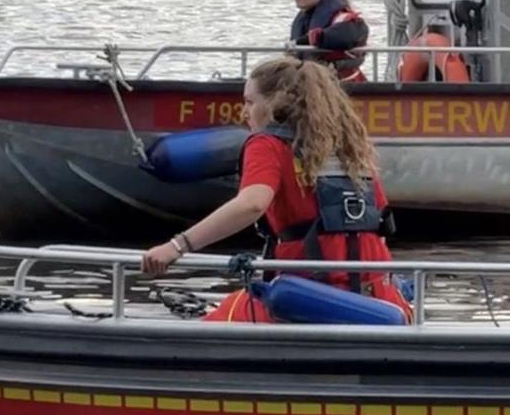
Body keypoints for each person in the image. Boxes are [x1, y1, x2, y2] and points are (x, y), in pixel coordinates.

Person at [141, 57, 413, 322]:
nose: (244, 112)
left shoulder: (266, 144)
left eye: (250, 102)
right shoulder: (349, 148)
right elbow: (379, 220)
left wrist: (177, 246)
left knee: (219, 318)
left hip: (310, 295)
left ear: (274, 103)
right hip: (379, 300)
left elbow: (252, 204)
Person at [289, 0, 368, 82]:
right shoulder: (303, 20)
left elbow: (350, 34)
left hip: (343, 85)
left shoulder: (344, 20)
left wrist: (308, 40)